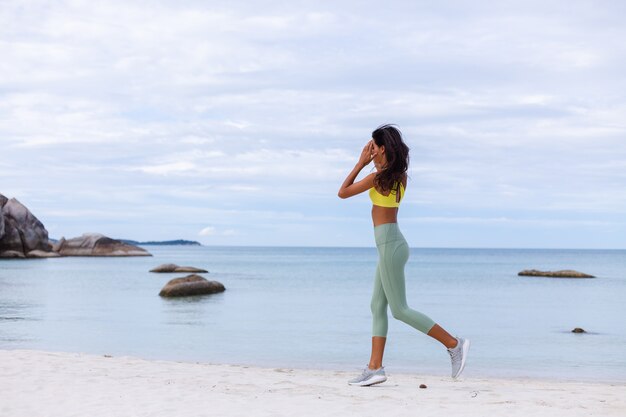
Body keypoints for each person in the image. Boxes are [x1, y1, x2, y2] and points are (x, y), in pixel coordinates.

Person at [337, 124, 470, 387]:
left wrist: (360, 163)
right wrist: (371, 161)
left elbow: (342, 192)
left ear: (382, 148)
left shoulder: (377, 177)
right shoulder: (397, 176)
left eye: (372, 148)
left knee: (399, 310)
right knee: (377, 306)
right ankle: (375, 368)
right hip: (392, 244)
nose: (369, 152)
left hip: (390, 245)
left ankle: (454, 344)